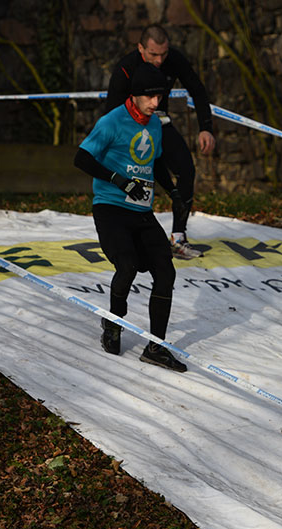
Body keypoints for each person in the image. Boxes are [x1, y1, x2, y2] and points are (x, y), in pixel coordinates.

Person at [74, 62, 187, 373]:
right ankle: (113, 323)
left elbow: (155, 161)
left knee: (166, 272)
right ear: (135, 94)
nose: (155, 103)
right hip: (110, 208)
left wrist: (173, 191)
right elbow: (81, 158)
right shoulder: (112, 122)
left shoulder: (155, 124)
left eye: (160, 97)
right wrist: (118, 180)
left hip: (141, 211)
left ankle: (155, 347)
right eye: (150, 97)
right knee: (126, 266)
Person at [105, 24, 216, 260]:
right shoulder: (126, 68)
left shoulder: (173, 60)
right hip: (130, 128)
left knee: (186, 169)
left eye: (163, 54)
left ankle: (178, 237)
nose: (159, 60)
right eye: (153, 54)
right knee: (139, 180)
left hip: (159, 123)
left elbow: (197, 90)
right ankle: (126, 237)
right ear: (140, 48)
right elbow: (111, 112)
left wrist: (206, 128)